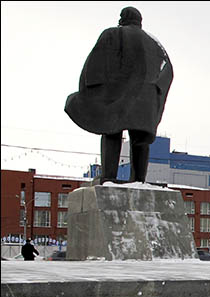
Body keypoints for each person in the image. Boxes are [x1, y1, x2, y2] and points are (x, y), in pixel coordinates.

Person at [65, 6, 173, 184]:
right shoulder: (155, 44)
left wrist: (89, 91)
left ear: (123, 19)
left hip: (118, 96)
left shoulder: (112, 34)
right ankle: (139, 179)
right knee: (140, 140)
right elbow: (168, 71)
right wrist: (156, 93)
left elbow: (94, 65)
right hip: (147, 101)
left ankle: (109, 176)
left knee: (111, 131)